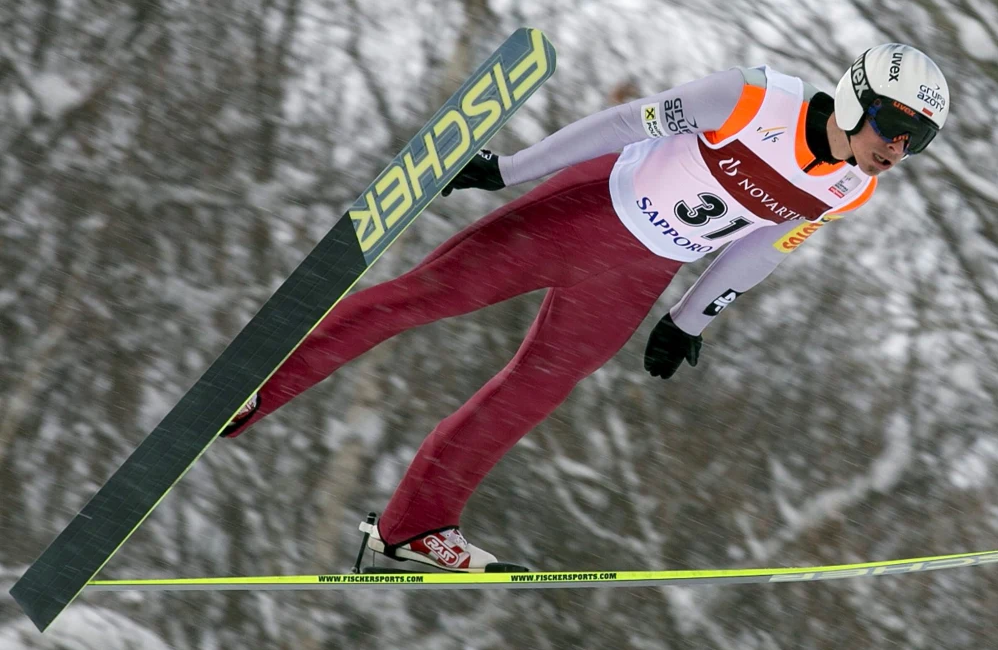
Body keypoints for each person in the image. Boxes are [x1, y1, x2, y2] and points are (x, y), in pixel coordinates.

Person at [222, 43, 951, 572]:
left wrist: (687, 319)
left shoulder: (850, 186)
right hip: (584, 210)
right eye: (894, 125)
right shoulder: (754, 98)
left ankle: (413, 528)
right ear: (857, 97)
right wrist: (509, 169)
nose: (898, 147)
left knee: (535, 391)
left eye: (916, 140)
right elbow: (624, 124)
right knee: (430, 296)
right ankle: (259, 385)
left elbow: (762, 249)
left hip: (636, 272)